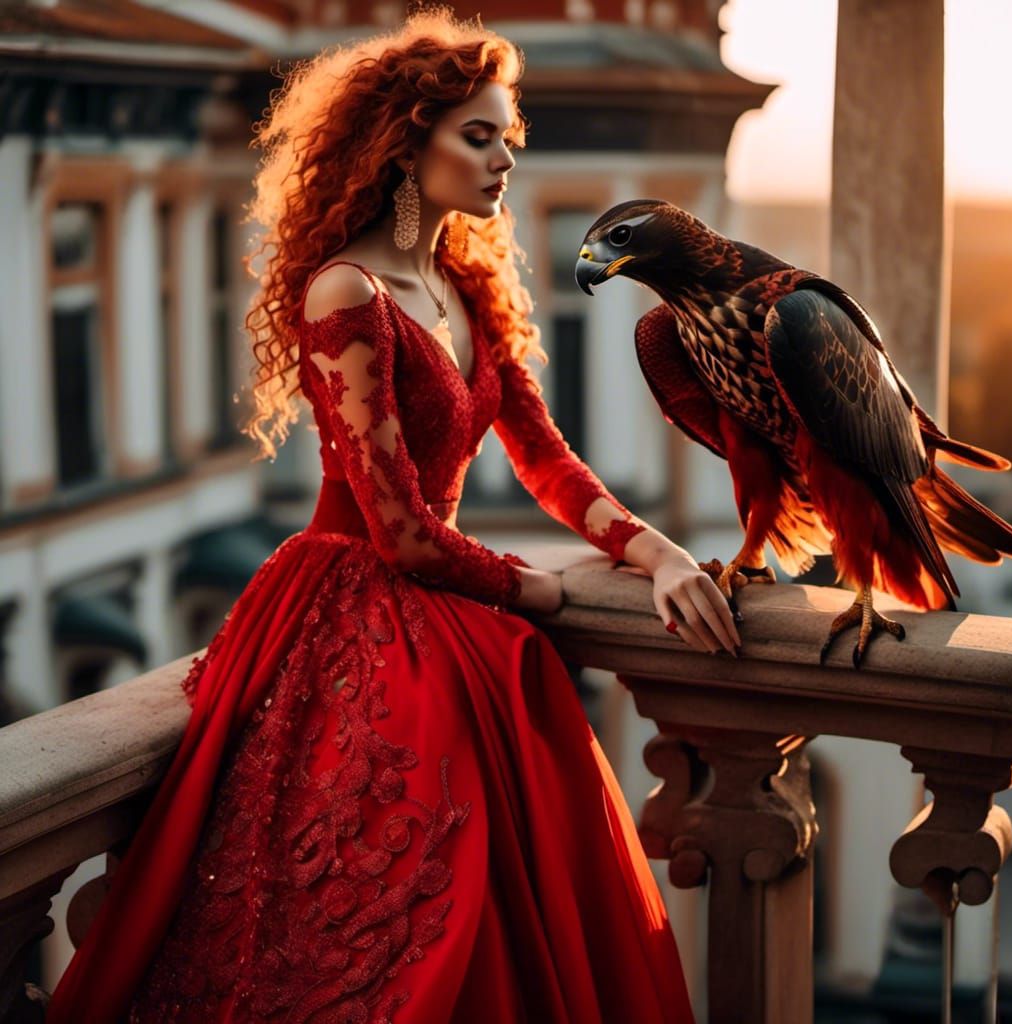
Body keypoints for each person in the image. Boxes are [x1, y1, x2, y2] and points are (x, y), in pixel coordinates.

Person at [48, 10, 740, 1023]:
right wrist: (540, 591)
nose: (505, 157)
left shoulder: (463, 285)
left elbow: (545, 462)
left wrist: (659, 552)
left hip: (441, 600)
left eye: (509, 136)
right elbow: (401, 532)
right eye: (478, 135)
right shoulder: (347, 292)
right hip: (352, 611)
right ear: (406, 145)